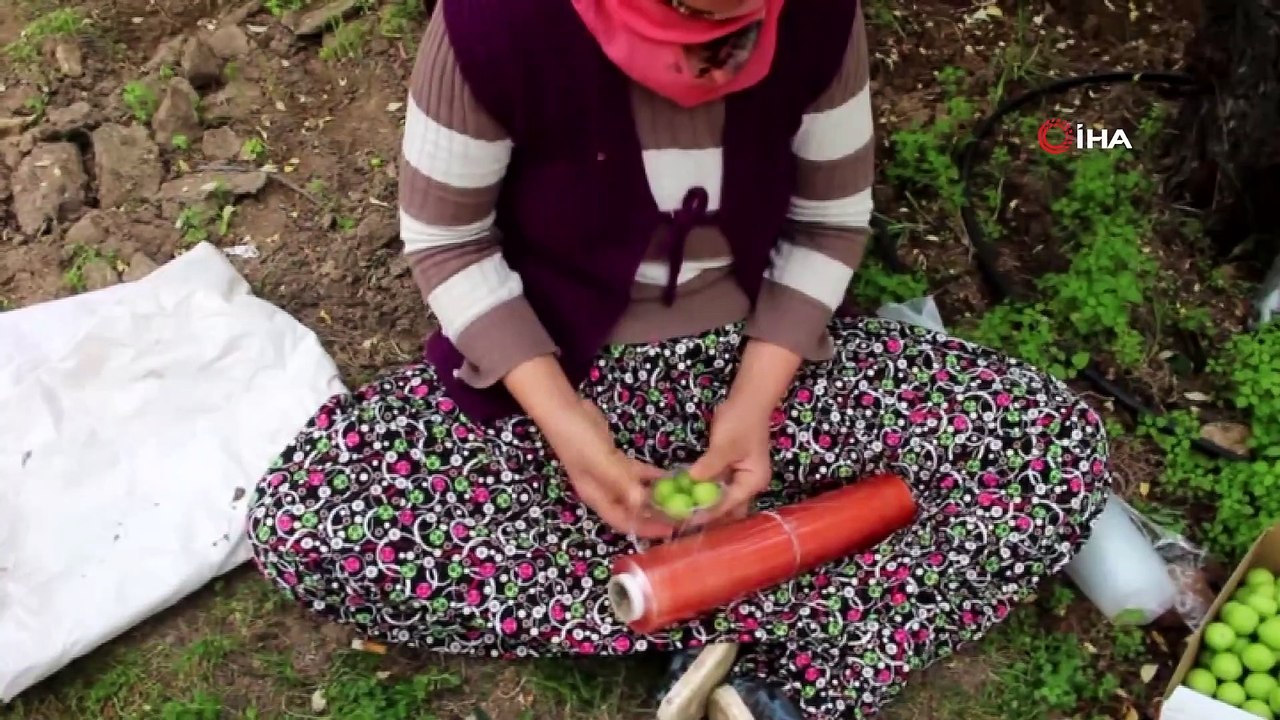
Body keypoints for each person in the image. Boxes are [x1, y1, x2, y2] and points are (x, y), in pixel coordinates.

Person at [246, 0, 1112, 718]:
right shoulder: (499, 22)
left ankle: (746, 649)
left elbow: (830, 221)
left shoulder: (816, 15)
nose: (712, 56)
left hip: (762, 367)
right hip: (558, 373)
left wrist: (754, 405)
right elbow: (447, 240)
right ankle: (754, 593)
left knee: (1048, 443)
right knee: (306, 519)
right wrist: (570, 429)